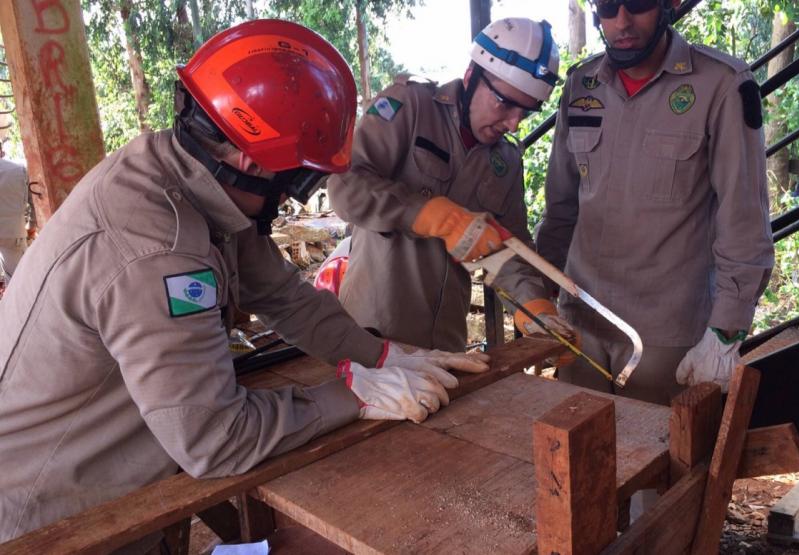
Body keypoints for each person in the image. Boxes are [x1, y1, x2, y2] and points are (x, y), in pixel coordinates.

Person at [0, 20, 489, 543]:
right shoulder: (156, 249)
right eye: (294, 180)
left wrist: (383, 356)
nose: (290, 200)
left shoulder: (190, 177)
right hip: (50, 516)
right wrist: (354, 395)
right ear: (251, 159)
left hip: (118, 473)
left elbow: (284, 296)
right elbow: (215, 438)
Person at [537, 0, 774, 404]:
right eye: (608, 7)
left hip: (666, 338)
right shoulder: (581, 86)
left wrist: (725, 332)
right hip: (580, 325)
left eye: (639, 4)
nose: (622, 21)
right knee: (576, 458)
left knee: (659, 464)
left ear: (670, 4)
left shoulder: (720, 85)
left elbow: (744, 220)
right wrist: (539, 297)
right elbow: (561, 210)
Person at [327, 17, 576, 353]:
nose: (514, 122)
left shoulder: (506, 161)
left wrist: (535, 307)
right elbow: (346, 188)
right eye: (505, 103)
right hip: (373, 336)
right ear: (472, 76)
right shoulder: (411, 107)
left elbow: (508, 247)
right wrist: (432, 216)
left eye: (527, 112)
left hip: (448, 344)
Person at [0, 141, 28, 291]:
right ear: (1, 151)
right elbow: (28, 200)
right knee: (18, 277)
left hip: (11, 232)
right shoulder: (18, 170)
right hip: (13, 233)